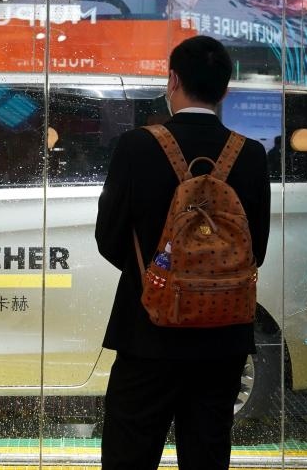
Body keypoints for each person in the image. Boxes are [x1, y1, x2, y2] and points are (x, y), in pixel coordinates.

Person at [95, 35, 271, 469]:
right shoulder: (250, 155)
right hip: (223, 336)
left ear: (172, 80)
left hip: (147, 332)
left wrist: (160, 277)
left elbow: (109, 237)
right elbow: (257, 248)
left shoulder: (136, 146)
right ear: (224, 89)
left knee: (129, 454)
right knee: (207, 454)